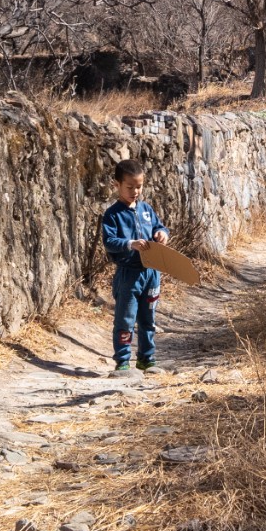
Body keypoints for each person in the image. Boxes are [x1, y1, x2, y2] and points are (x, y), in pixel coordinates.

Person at [100, 157, 169, 375]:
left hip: (151, 274)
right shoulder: (112, 214)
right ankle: (122, 362)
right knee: (125, 319)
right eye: (130, 187)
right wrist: (131, 244)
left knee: (148, 320)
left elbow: (159, 226)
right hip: (128, 276)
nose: (135, 191)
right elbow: (109, 242)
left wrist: (162, 234)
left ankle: (146, 360)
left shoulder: (147, 209)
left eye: (139, 187)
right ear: (117, 185)